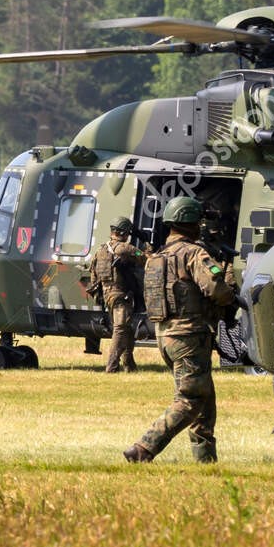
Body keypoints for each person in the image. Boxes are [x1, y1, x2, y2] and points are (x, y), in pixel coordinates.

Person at [124, 196, 237, 464]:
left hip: (165, 335)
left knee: (204, 400)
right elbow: (216, 290)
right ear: (192, 224)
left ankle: (205, 460)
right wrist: (231, 295)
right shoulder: (194, 254)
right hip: (189, 336)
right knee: (190, 399)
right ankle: (144, 448)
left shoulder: (157, 258)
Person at [88, 216, 145, 373]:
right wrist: (146, 243)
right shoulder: (125, 249)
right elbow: (148, 260)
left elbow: (93, 274)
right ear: (125, 233)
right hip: (121, 295)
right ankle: (112, 366)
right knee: (121, 329)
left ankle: (129, 364)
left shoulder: (101, 250)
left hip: (107, 295)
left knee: (125, 329)